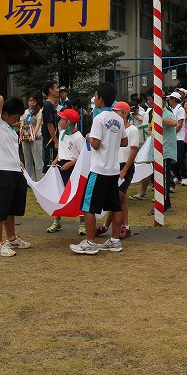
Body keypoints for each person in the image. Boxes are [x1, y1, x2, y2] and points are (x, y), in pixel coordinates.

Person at [70, 82, 128, 255]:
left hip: (99, 169)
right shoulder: (118, 118)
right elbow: (124, 141)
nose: (94, 99)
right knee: (115, 206)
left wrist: (88, 137)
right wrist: (112, 140)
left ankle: (90, 242)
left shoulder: (99, 118)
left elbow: (95, 144)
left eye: (95, 96)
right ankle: (115, 241)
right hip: (113, 170)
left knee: (88, 206)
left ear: (100, 99)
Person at [0, 94, 30, 257]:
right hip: (1, 171)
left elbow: (11, 150)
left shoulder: (10, 129)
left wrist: (19, 161)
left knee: (11, 208)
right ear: (4, 114)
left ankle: (11, 238)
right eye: (14, 116)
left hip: (15, 171)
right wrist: (13, 102)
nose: (15, 120)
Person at [97, 102, 139, 239]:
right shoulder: (115, 128)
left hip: (125, 166)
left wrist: (125, 169)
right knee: (116, 198)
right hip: (115, 165)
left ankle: (122, 226)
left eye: (117, 112)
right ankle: (112, 225)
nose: (115, 114)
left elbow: (133, 150)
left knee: (120, 196)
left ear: (125, 114)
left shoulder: (133, 130)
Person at [46, 108, 86, 235]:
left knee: (77, 194)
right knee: (59, 195)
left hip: (73, 169)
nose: (60, 121)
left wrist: (70, 164)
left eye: (62, 119)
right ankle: (57, 221)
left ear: (69, 122)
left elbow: (83, 156)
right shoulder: (62, 133)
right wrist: (56, 160)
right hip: (60, 167)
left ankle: (82, 223)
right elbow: (61, 151)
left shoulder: (78, 137)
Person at [147, 91, 178, 216]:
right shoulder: (154, 113)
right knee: (158, 179)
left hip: (164, 151)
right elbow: (151, 128)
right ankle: (167, 204)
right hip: (156, 150)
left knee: (162, 179)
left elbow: (174, 123)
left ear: (165, 101)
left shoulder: (166, 112)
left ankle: (162, 205)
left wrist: (162, 119)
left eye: (161, 100)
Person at [20, 95, 44, 181]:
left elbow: (38, 124)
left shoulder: (39, 111)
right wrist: (21, 134)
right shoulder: (25, 112)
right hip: (25, 138)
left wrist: (33, 134)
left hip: (36, 138)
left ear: (36, 102)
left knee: (38, 161)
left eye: (34, 101)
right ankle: (30, 180)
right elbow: (22, 124)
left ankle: (39, 180)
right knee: (28, 161)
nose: (32, 102)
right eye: (30, 101)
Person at [167, 91, 187, 185]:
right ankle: (177, 176)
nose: (169, 100)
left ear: (174, 100)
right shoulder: (170, 109)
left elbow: (179, 124)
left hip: (179, 137)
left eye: (170, 99)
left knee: (179, 158)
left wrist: (171, 134)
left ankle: (184, 176)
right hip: (172, 138)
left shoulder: (180, 109)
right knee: (172, 159)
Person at [40, 81, 60, 173]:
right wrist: (55, 141)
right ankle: (42, 186)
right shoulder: (48, 105)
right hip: (50, 141)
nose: (58, 90)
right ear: (51, 90)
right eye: (56, 88)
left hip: (51, 140)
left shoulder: (50, 105)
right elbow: (49, 124)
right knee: (48, 167)